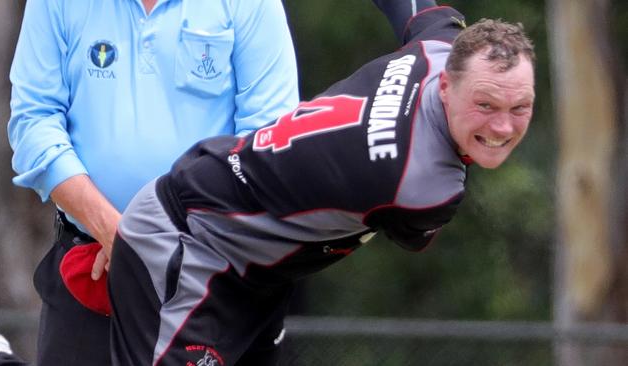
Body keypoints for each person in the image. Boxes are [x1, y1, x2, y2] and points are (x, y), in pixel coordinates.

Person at [107, 1, 536, 366]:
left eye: (520, 107)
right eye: (485, 104)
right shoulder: (424, 188)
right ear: (446, 85)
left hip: (251, 273)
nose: (502, 125)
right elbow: (415, 233)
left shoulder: (439, 48)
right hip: (190, 242)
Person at [7, 0, 299, 365]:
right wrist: (120, 237)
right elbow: (33, 122)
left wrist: (162, 247)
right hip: (92, 271)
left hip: (214, 276)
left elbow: (268, 144)